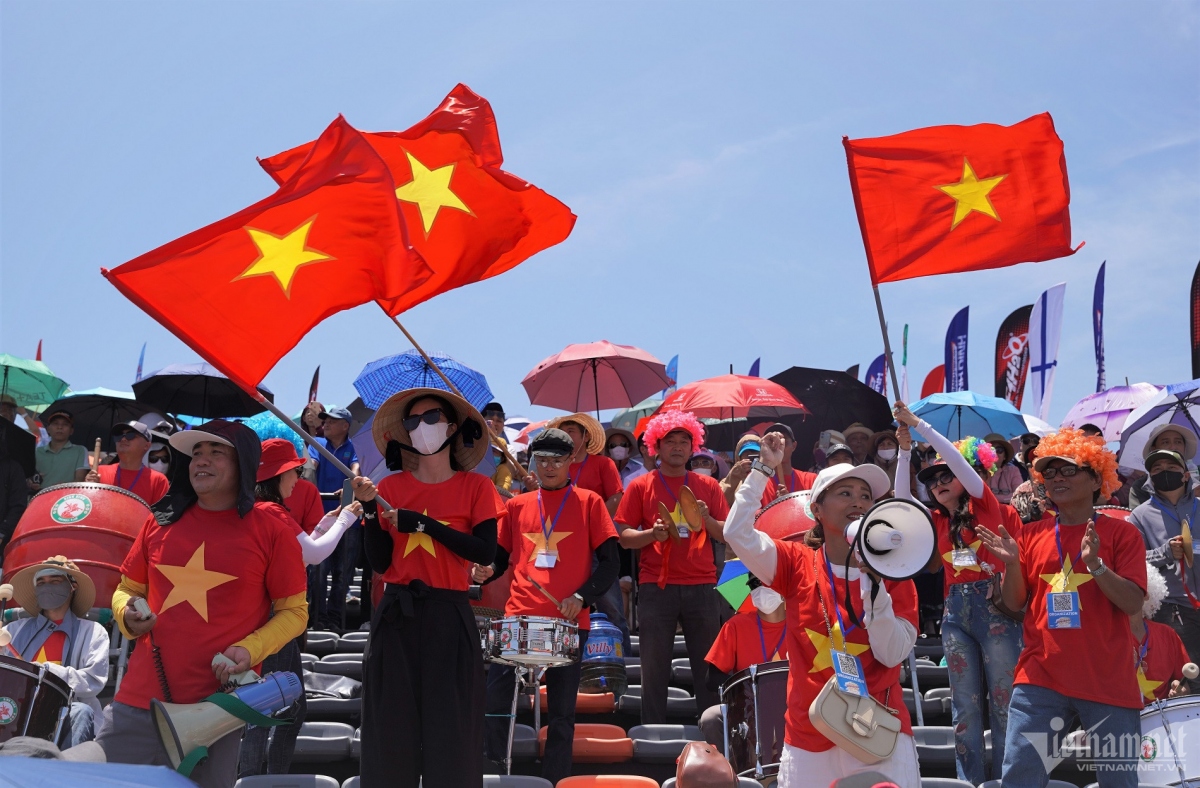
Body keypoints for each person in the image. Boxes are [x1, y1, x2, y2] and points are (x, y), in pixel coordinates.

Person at [95, 420, 308, 788]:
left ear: (242, 462)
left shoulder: (273, 530)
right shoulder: (157, 522)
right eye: (196, 453)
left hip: (216, 714)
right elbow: (126, 589)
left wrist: (250, 647)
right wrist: (127, 615)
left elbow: (295, 612)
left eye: (215, 452)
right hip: (135, 704)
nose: (201, 461)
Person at [722, 430, 920, 785]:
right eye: (845, 494)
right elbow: (737, 533)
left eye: (865, 496)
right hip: (808, 737)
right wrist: (763, 470)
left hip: (879, 734)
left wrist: (874, 585)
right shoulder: (795, 561)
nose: (858, 502)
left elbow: (891, 655)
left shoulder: (896, 571)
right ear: (816, 509)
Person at [976, 428, 1146, 788]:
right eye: (1049, 472)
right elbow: (1013, 602)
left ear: (1096, 478)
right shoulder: (1030, 533)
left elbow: (1132, 602)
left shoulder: (1123, 534)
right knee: (1020, 778)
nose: (1056, 478)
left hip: (1106, 678)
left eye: (1068, 470)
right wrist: (1010, 565)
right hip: (1040, 677)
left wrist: (1095, 564)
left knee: (1119, 782)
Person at [353, 387, 501, 788]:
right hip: (397, 616)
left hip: (449, 616)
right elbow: (381, 562)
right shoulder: (391, 488)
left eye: (431, 418)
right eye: (413, 422)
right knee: (389, 735)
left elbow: (485, 551)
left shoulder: (477, 487)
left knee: (452, 735)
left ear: (452, 427)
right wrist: (370, 510)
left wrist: (423, 525)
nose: (422, 428)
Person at [477, 428, 619, 784]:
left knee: (561, 712)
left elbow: (610, 563)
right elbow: (501, 555)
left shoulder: (590, 502)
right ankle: (494, 771)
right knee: (496, 701)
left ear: (571, 461)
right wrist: (487, 569)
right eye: (542, 460)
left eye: (557, 459)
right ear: (532, 462)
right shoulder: (516, 505)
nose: (550, 466)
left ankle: (557, 779)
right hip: (519, 616)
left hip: (569, 618)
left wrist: (582, 597)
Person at [893, 405, 1023, 785]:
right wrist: (904, 452)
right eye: (931, 482)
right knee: (964, 709)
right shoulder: (935, 520)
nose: (937, 485)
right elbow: (902, 502)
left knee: (1003, 703)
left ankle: (1004, 779)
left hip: (996, 609)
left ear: (967, 476)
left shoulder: (987, 504)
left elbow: (957, 462)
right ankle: (968, 781)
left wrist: (920, 428)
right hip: (955, 615)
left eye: (946, 477)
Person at [239, 438, 361, 776]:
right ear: (277, 476)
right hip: (273, 622)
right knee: (270, 710)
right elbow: (315, 554)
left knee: (285, 708)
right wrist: (346, 520)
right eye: (294, 471)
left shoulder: (258, 510)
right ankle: (256, 781)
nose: (299, 477)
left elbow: (304, 549)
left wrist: (327, 522)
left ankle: (264, 779)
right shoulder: (272, 512)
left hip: (266, 620)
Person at [616, 410, 729, 724]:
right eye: (670, 441)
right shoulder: (640, 486)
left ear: (693, 447)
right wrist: (652, 534)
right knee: (653, 670)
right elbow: (623, 537)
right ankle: (651, 732)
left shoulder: (709, 486)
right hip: (656, 587)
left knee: (707, 669)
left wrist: (706, 520)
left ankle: (713, 737)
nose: (678, 447)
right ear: (656, 446)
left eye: (684, 441)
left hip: (703, 586)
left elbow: (726, 534)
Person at [3, 556, 109, 747]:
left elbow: (93, 681)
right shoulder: (12, 631)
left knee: (82, 711)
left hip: (64, 713)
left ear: (72, 586)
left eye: (55, 581)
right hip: (15, 710)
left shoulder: (93, 631)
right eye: (41, 582)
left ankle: (66, 774)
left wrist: (43, 672)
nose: (47, 586)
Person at [697, 571, 788, 751]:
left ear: (784, 589)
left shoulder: (802, 625)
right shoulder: (735, 625)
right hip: (748, 706)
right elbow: (712, 679)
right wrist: (748, 691)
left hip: (792, 706)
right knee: (710, 718)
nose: (761, 589)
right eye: (755, 585)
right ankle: (731, 772)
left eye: (766, 583)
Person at [1129, 446, 1200, 672]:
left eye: (1171, 467)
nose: (1164, 471)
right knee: (1190, 673)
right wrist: (1164, 552)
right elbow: (1133, 560)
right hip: (1173, 608)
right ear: (1150, 477)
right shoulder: (1139, 515)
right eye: (1157, 469)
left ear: (1186, 475)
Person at [310, 406, 360, 630]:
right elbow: (312, 466)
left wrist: (351, 483)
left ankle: (335, 619)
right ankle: (317, 618)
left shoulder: (355, 446)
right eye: (325, 420)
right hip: (322, 520)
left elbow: (355, 470)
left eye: (332, 420)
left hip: (348, 522)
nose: (326, 423)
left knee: (342, 572)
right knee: (318, 570)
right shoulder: (317, 444)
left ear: (345, 426)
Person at [1132, 561, 1191, 704]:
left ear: (1146, 594)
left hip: (1162, 719)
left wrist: (1180, 690)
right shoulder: (1105, 637)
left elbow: (1184, 686)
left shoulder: (1167, 634)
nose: (1125, 593)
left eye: (1132, 587)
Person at [547, 413, 623, 517]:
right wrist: (534, 488)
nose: (565, 436)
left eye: (570, 431)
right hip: (562, 530)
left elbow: (616, 499)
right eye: (562, 432)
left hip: (596, 529)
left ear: (586, 436)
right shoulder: (554, 467)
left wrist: (590, 520)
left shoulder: (604, 463)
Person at [86, 421, 169, 505]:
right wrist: (86, 490)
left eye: (130, 435)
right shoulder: (98, 472)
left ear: (146, 446)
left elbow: (160, 517)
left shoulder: (158, 481)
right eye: (119, 436)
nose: (123, 439)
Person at [1129, 424, 1199, 508]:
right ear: (1153, 449)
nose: (1173, 447)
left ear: (1184, 447)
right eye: (1165, 442)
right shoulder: (1140, 488)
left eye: (1178, 442)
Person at [32, 408, 89, 490]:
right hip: (39, 497)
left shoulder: (80, 451)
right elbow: (29, 478)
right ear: (48, 429)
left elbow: (80, 480)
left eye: (65, 424)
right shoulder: (37, 452)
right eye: (55, 423)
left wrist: (63, 487)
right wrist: (30, 483)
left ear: (71, 431)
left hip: (66, 498)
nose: (60, 427)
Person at [760, 423, 817, 504]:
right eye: (772, 443)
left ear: (794, 446)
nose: (778, 447)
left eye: (783, 442)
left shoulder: (812, 480)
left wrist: (789, 504)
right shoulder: (758, 483)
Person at [720, 434, 762, 507]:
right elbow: (719, 502)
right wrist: (734, 477)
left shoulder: (769, 476)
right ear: (739, 457)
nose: (750, 457)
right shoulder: (729, 479)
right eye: (746, 454)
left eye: (754, 452)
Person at [985, 433, 1023, 504]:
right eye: (991, 449)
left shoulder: (1013, 471)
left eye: (999, 450)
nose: (995, 453)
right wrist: (1009, 497)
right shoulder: (979, 472)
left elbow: (1019, 496)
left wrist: (993, 498)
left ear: (1005, 456)